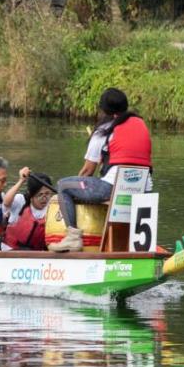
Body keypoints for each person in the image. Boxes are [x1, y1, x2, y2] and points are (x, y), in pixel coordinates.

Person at [55, 87, 153, 251]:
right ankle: (136, 249)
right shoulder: (141, 124)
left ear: (104, 110)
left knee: (63, 186)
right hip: (145, 190)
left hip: (114, 189)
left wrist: (80, 184)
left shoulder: (103, 131)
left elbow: (87, 171)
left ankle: (72, 238)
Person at [2, 167, 53, 251]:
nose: (44, 198)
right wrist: (21, 180)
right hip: (11, 251)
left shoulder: (52, 206)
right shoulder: (21, 201)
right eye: (40, 194)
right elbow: (6, 202)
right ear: (31, 194)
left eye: (47, 194)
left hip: (37, 253)